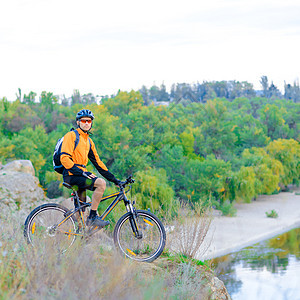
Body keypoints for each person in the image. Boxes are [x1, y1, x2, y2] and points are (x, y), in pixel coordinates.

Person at [61, 109, 121, 229]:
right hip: (71, 175)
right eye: (83, 120)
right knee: (101, 184)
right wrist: (83, 173)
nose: (87, 123)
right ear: (78, 122)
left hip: (79, 176)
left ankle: (80, 236)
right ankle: (93, 217)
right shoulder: (71, 136)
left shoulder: (88, 141)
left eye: (89, 121)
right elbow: (64, 158)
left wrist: (115, 180)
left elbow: (98, 164)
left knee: (81, 209)